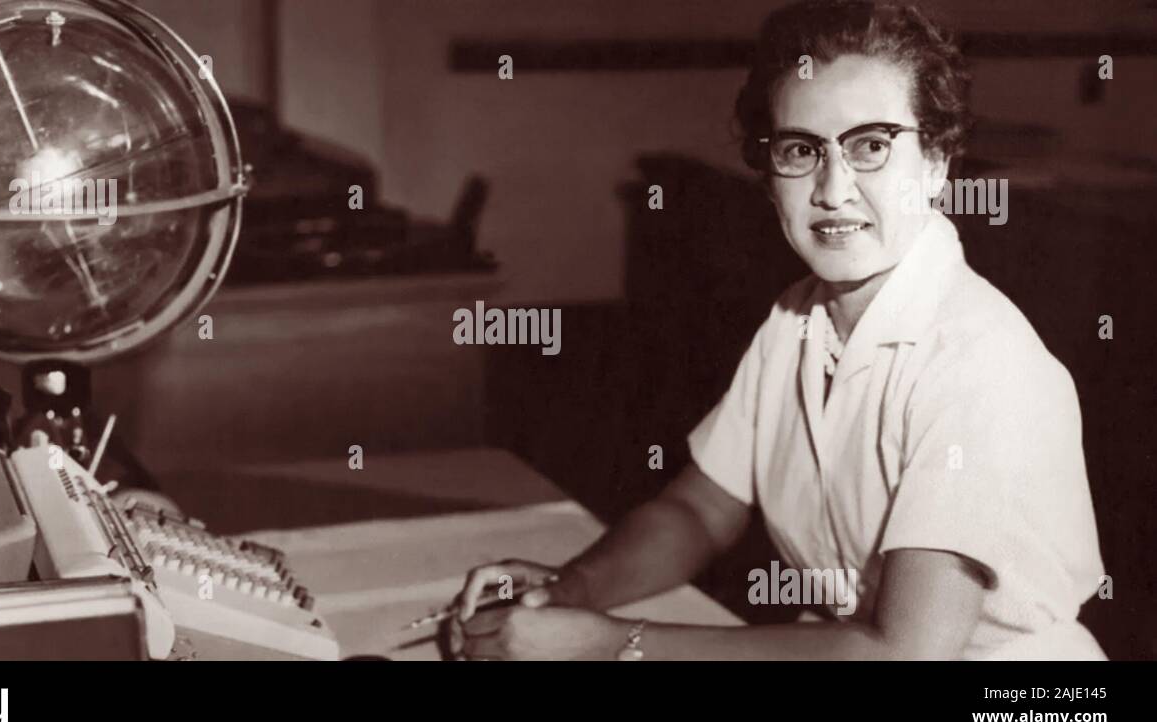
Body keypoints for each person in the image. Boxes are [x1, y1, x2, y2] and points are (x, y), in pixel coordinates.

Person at [449, 0, 1106, 660]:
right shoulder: (797, 318)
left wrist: (611, 644)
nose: (832, 188)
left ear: (936, 163)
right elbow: (701, 511)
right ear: (769, 181)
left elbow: (905, 655)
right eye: (801, 149)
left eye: (871, 146)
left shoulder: (979, 364)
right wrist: (571, 590)